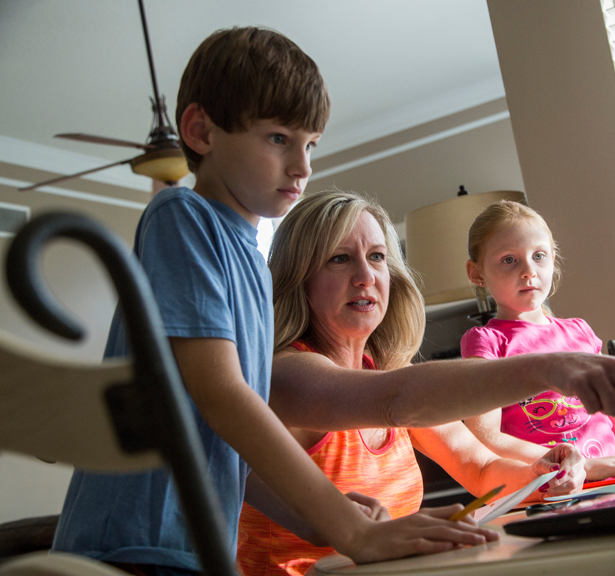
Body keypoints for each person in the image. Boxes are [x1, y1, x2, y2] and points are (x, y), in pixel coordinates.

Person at [50, 27, 499, 576]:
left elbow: (223, 438)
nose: (302, 167)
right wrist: (347, 527)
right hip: (133, 545)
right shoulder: (182, 218)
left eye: (309, 144)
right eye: (278, 139)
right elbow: (221, 395)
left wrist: (314, 518)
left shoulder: (251, 269)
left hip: (196, 553)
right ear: (199, 130)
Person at [236, 190, 588, 575]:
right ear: (300, 278)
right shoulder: (285, 374)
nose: (366, 276)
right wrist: (549, 369)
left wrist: (537, 473)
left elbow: (480, 466)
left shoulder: (386, 372)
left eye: (376, 257)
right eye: (340, 259)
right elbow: (396, 399)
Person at [460, 200, 615, 481]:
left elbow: (613, 420)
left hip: (611, 486)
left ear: (553, 259)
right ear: (476, 273)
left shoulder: (579, 332)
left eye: (539, 256)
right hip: (545, 492)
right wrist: (570, 465)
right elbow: (485, 437)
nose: (529, 270)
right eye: (509, 259)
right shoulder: (487, 342)